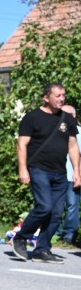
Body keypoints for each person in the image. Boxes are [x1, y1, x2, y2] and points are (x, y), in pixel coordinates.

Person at [12, 84, 81, 263]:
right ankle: (21, 237)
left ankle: (42, 249)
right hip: (39, 169)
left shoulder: (67, 119)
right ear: (46, 97)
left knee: (56, 214)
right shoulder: (32, 117)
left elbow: (73, 146)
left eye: (63, 95)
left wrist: (77, 172)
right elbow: (22, 145)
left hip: (60, 173)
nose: (61, 99)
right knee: (44, 206)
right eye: (57, 96)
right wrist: (22, 169)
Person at [58, 105, 80, 247]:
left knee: (72, 205)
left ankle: (69, 235)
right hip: (58, 174)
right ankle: (55, 232)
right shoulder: (57, 130)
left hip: (72, 175)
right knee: (56, 205)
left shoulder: (79, 132)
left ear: (73, 116)